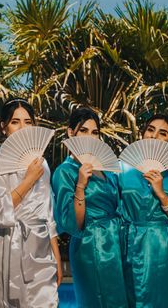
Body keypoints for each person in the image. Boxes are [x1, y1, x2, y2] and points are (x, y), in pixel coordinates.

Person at [0, 99, 61, 308]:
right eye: (15, 122)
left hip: (41, 248)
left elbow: (48, 214)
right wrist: (28, 181)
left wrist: (56, 257)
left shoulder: (41, 163)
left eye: (28, 121)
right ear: (3, 127)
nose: (23, 127)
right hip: (6, 244)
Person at [119, 114, 168, 308]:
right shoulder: (122, 168)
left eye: (163, 133)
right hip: (129, 250)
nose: (154, 136)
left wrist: (163, 196)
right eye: (150, 129)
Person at [52, 107, 128, 307]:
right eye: (83, 130)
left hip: (117, 244)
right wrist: (80, 185)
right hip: (91, 245)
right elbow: (72, 225)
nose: (90, 137)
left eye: (95, 132)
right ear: (71, 133)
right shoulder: (64, 172)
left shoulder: (106, 169)